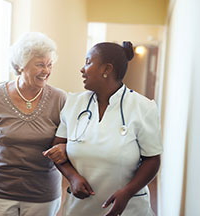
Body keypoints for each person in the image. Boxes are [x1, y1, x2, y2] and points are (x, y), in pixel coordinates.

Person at [44, 41, 163, 216]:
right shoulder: (73, 103)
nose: (82, 69)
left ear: (106, 69)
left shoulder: (143, 107)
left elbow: (152, 160)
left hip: (128, 208)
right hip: (80, 208)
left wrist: (128, 192)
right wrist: (73, 177)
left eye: (88, 62)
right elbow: (57, 150)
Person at [0, 32, 67, 216]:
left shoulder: (59, 99)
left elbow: (70, 140)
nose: (46, 71)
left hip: (42, 194)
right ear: (21, 65)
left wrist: (65, 148)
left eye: (50, 64)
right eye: (40, 64)